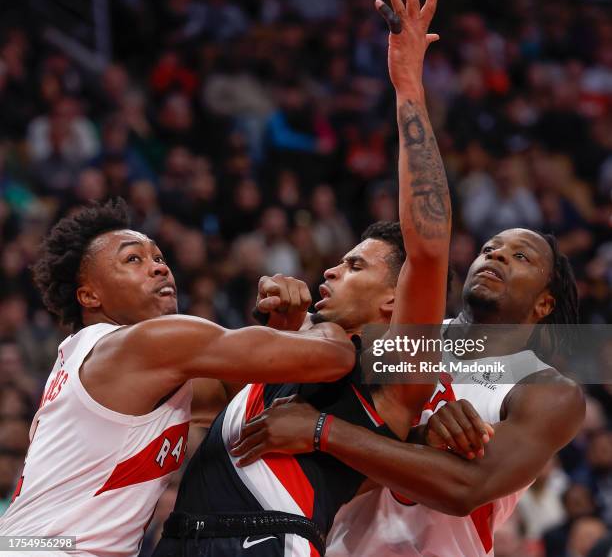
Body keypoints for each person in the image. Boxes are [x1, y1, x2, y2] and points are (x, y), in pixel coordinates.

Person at [152, 0, 451, 557]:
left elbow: (430, 244)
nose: (331, 272)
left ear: (395, 301)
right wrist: (277, 335)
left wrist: (407, 84)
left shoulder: (396, 373)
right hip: (180, 539)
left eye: (357, 267)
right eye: (339, 262)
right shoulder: (298, 349)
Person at [0, 199, 355, 557]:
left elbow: (235, 396)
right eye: (132, 259)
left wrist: (284, 324)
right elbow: (333, 358)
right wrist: (321, 321)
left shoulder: (99, 359)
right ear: (89, 295)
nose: (158, 268)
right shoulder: (143, 343)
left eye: (158, 258)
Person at [231, 226, 586, 557]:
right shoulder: (398, 335)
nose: (496, 256)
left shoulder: (547, 391)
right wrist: (284, 323)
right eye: (488, 249)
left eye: (520, 256)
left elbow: (466, 488)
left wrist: (323, 430)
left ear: (544, 304)